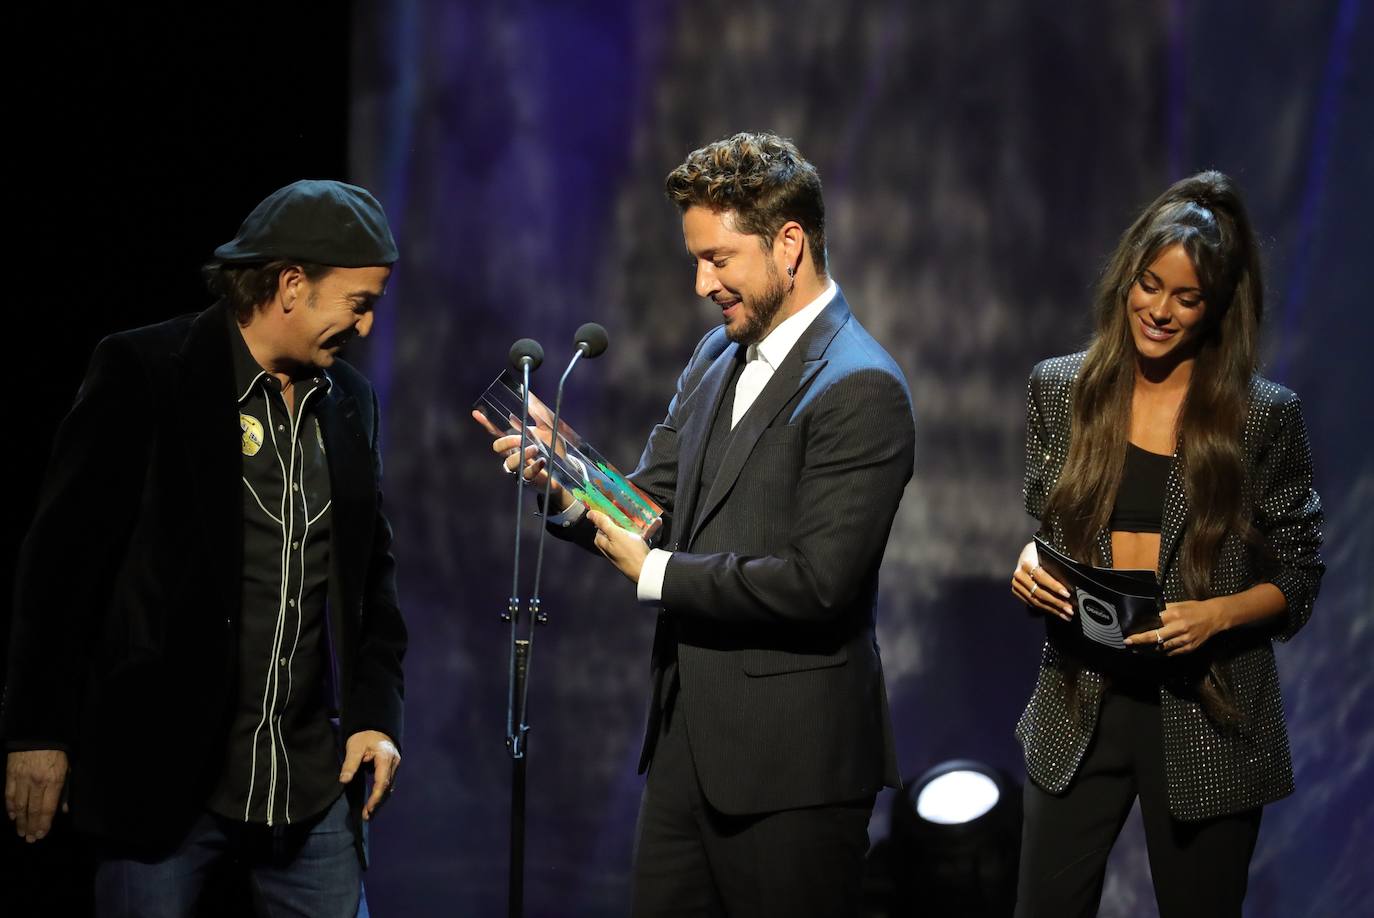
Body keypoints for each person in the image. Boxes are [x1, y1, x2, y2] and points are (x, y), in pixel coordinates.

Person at [478, 132, 915, 917]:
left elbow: (819, 583)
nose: (701, 283)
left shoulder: (862, 387)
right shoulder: (718, 355)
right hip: (685, 756)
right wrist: (564, 476)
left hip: (794, 773)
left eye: (718, 258)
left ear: (789, 245)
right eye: (695, 259)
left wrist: (657, 574)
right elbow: (652, 504)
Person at [3, 179, 408, 917]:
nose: (369, 326)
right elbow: (60, 569)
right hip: (165, 779)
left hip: (306, 784)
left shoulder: (350, 402)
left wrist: (377, 714)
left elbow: (372, 583)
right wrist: (38, 732)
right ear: (291, 285)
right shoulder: (147, 372)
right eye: (360, 302)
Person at [1008, 171, 1324, 917]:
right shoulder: (1063, 388)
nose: (1160, 310)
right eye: (1150, 285)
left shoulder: (1260, 417)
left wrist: (1215, 616)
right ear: (1128, 278)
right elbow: (1049, 530)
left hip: (1205, 708)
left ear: (1216, 309)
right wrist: (1030, 560)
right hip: (1082, 697)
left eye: (1186, 298)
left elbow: (1301, 573)